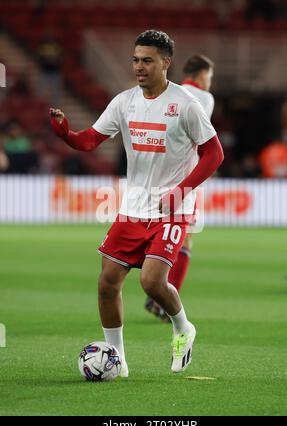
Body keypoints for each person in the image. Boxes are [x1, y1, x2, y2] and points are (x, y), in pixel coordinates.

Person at [50, 30, 224, 377]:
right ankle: (117, 359)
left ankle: (182, 328)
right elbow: (90, 141)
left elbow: (213, 154)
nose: (139, 67)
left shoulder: (185, 105)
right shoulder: (124, 102)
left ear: (166, 63)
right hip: (133, 208)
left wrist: (181, 191)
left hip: (172, 208)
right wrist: (66, 133)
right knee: (107, 283)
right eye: (135, 60)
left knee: (151, 281)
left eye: (147, 60)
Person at [145, 54, 217, 321]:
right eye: (209, 77)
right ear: (200, 76)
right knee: (184, 238)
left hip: (153, 173)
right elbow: (200, 139)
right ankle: (163, 299)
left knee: (153, 232)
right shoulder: (203, 97)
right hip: (183, 176)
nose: (209, 82)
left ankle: (157, 293)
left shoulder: (168, 92)